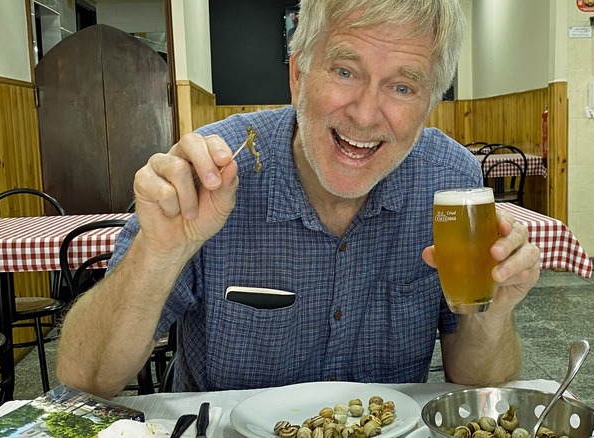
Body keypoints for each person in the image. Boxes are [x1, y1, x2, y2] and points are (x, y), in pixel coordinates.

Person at [56, 0, 540, 398]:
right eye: (346, 71)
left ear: (429, 102)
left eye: (401, 86)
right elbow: (85, 377)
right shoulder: (211, 172)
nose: (368, 114)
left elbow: (477, 385)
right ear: (298, 75)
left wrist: (492, 317)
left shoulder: (450, 183)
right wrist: (158, 254)